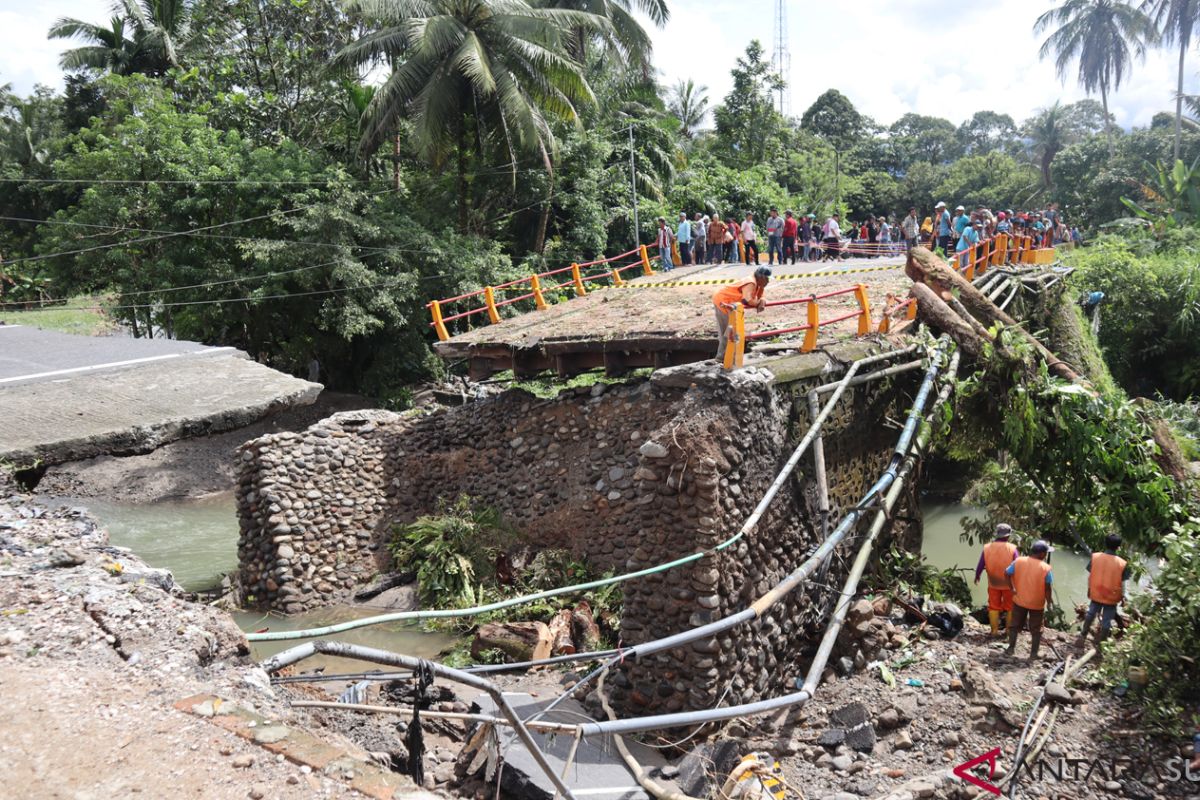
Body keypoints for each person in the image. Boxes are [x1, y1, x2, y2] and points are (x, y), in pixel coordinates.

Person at [1078, 533, 1130, 650]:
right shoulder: (1122, 563)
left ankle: (1083, 635)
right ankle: (1101, 645)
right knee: (1107, 621)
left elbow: (1090, 575)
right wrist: (1124, 597)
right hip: (1112, 596)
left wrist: (1089, 589)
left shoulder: (1095, 557)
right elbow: (1124, 583)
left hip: (1096, 592)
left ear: (1105, 544)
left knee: (1091, 614)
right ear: (1118, 547)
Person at [1005, 540, 1054, 660]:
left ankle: (1011, 648)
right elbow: (1047, 588)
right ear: (1042, 554)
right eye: (1046, 553)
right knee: (1036, 629)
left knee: (1014, 625)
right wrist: (1049, 602)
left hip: (1019, 600)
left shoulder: (1019, 561)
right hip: (1036, 604)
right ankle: (1033, 654)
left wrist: (1012, 588)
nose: (1046, 555)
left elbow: (1006, 573)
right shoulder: (1045, 568)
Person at [712, 266, 771, 363]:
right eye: (767, 279)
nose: (768, 281)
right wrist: (759, 303)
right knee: (727, 330)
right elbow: (747, 300)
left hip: (733, 305)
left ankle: (730, 356)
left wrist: (762, 300)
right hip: (723, 302)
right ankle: (721, 358)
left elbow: (760, 296)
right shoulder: (750, 282)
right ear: (761, 277)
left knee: (732, 330)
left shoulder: (758, 284)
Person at [974, 523, 1019, 637]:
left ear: (997, 535)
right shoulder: (1012, 549)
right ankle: (1008, 631)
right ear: (1008, 536)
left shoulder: (987, 548)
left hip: (993, 582)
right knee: (1010, 607)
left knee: (993, 606)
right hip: (1009, 584)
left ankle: (994, 631)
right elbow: (1018, 565)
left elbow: (980, 564)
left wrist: (977, 575)